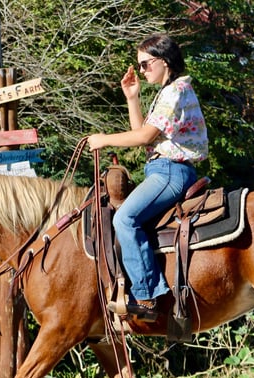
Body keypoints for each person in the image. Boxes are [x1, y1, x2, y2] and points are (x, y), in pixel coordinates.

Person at [88, 33, 208, 321]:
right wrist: (133, 97)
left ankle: (147, 295)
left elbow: (144, 135)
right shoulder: (167, 92)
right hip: (162, 168)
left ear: (164, 61)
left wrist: (104, 140)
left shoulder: (176, 91)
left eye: (145, 64)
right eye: (140, 65)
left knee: (124, 219)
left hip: (170, 170)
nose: (141, 70)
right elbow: (145, 137)